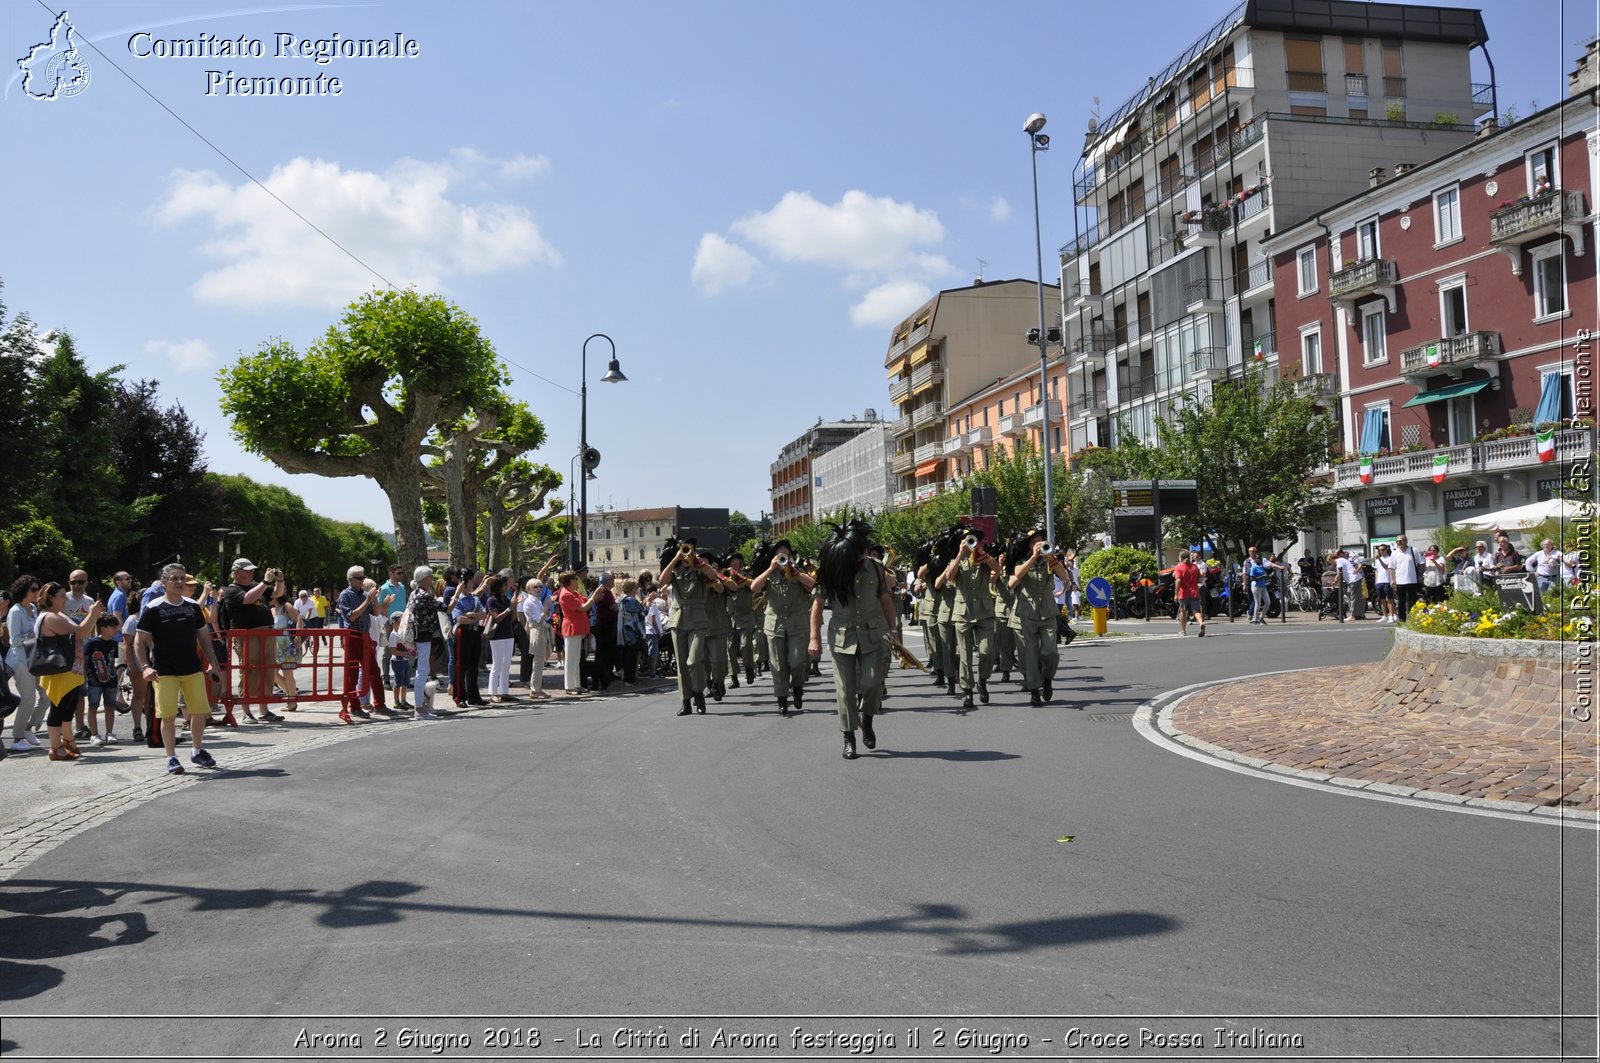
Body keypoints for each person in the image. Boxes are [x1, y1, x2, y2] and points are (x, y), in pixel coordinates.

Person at [808, 519, 896, 760]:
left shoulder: (876, 568)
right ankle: (849, 738)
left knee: (873, 682)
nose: (864, 551)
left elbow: (886, 599)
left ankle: (867, 718)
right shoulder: (831, 569)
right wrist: (814, 638)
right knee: (845, 691)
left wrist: (895, 632)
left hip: (872, 633)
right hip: (842, 636)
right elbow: (817, 605)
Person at [135, 563, 224, 774]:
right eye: (174, 579)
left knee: (200, 712)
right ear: (164, 583)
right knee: (168, 716)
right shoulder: (153, 607)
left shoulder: (193, 606)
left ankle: (197, 750)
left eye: (182, 578)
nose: (179, 582)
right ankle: (171, 757)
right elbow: (139, 641)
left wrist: (213, 663)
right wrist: (145, 667)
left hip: (192, 667)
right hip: (164, 670)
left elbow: (203, 637)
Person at [32, 581, 106, 761]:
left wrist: (92, 616)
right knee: (58, 709)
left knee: (68, 708)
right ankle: (55, 747)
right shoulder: (50, 617)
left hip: (68, 670)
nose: (66, 599)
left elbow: (80, 632)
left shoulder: (58, 614)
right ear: (50, 597)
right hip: (59, 671)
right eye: (62, 596)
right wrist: (93, 614)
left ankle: (69, 740)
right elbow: (80, 632)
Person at [935, 528, 1000, 710]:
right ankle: (968, 691)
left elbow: (997, 569)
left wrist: (984, 554)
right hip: (963, 612)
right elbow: (949, 576)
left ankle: (982, 681)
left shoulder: (984, 559)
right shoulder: (955, 560)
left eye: (974, 541)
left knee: (987, 652)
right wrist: (960, 554)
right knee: (964, 655)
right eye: (968, 540)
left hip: (984, 611)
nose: (971, 543)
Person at [749, 538, 815, 715]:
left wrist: (796, 573)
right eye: (779, 556)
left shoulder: (799, 572)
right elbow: (754, 587)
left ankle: (798, 687)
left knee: (797, 661)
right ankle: (782, 698)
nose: (783, 558)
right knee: (777, 664)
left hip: (797, 624)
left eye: (786, 555)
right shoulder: (769, 574)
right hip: (775, 624)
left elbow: (813, 584)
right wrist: (770, 569)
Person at [1008, 530, 1071, 706]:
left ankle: (1047, 679)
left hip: (1048, 611)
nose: (1038, 543)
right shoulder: (1022, 561)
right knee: (1031, 653)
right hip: (1027, 611)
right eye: (1034, 541)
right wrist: (1033, 557)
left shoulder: (1050, 562)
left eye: (1040, 540)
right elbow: (1017, 576)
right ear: (1028, 545)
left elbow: (1064, 576)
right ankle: (1034, 690)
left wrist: (1051, 558)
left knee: (1051, 651)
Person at [220, 559, 284, 723]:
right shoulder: (231, 590)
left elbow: (277, 594)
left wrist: (280, 580)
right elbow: (247, 599)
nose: (250, 573)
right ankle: (246, 711)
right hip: (248, 636)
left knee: (268, 670)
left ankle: (264, 710)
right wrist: (265, 582)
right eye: (247, 571)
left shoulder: (257, 585)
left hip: (267, 634)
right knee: (249, 670)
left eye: (251, 570)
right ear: (236, 572)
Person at [659, 541, 714, 716]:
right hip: (678, 618)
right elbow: (662, 580)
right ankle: (686, 702)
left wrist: (698, 561)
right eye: (684, 550)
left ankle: (698, 693)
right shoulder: (675, 570)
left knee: (695, 659)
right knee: (682, 664)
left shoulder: (700, 569)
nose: (686, 554)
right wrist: (675, 559)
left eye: (689, 551)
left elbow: (713, 575)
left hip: (697, 619)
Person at [336, 565, 387, 719]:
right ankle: (355, 706)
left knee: (374, 671)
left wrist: (375, 599)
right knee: (352, 673)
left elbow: (376, 612)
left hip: (365, 636)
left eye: (363, 577)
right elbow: (351, 616)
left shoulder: (364, 594)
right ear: (351, 579)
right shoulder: (345, 595)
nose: (362, 580)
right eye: (359, 578)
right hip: (352, 636)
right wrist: (367, 600)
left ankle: (380, 704)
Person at [7, 575, 43, 753]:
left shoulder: (34, 609)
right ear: (24, 591)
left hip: (34, 659)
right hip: (20, 661)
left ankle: (28, 728)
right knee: (28, 699)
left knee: (46, 697)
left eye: (37, 589)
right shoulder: (15, 611)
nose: (37, 593)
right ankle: (17, 737)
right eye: (33, 590)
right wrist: (32, 635)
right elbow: (14, 641)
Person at [556, 569, 600, 697]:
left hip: (577, 627)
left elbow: (586, 601)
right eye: (575, 579)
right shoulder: (566, 594)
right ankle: (569, 686)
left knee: (576, 658)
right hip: (571, 627)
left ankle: (576, 683)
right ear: (570, 581)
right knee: (571, 658)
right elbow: (584, 607)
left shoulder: (573, 592)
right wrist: (594, 596)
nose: (577, 581)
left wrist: (593, 597)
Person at [405, 566, 442, 718]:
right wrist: (458, 593)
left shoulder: (414, 593)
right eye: (430, 577)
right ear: (425, 579)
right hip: (423, 635)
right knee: (422, 672)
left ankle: (423, 705)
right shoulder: (424, 595)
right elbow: (446, 608)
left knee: (423, 671)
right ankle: (419, 708)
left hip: (419, 635)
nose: (432, 580)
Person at [449, 571, 490, 707]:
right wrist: (475, 616)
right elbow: (460, 619)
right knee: (461, 665)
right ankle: (459, 696)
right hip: (463, 633)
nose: (472, 584)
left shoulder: (475, 598)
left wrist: (471, 615)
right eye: (470, 581)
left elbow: (484, 614)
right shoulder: (458, 599)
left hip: (475, 633)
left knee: (474, 666)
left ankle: (474, 696)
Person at [83, 615, 122, 745]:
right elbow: (85, 662)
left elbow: (113, 661)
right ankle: (94, 734)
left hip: (111, 680)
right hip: (94, 680)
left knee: (110, 707)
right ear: (103, 628)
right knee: (93, 707)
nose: (116, 629)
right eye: (113, 627)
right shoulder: (91, 643)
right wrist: (83, 678)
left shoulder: (113, 643)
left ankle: (109, 732)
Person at [482, 573, 517, 703]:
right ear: (498, 587)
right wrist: (509, 609)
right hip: (497, 635)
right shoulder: (491, 600)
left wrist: (513, 608)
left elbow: (512, 618)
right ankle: (492, 692)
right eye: (504, 585)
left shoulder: (505, 599)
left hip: (508, 633)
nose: (506, 587)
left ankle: (504, 691)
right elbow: (496, 618)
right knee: (497, 663)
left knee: (506, 664)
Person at [377, 564, 408, 691]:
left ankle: (402, 678)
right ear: (391, 573)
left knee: (403, 648)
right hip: (390, 623)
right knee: (388, 651)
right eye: (398, 573)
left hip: (402, 622)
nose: (401, 575)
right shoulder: (384, 588)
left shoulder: (402, 587)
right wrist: (384, 622)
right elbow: (380, 606)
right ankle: (386, 678)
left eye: (402, 573)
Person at [519, 576, 551, 699]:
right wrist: (547, 606)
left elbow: (546, 617)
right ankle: (535, 689)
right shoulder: (529, 602)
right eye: (535, 587)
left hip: (541, 629)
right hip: (536, 630)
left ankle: (537, 688)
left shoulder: (536, 600)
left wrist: (547, 607)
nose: (538, 589)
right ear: (529, 589)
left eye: (540, 587)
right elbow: (538, 618)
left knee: (539, 661)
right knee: (538, 661)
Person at [618, 578, 646, 684]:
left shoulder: (623, 598)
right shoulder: (630, 600)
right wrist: (648, 602)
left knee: (628, 656)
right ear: (631, 589)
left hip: (625, 631)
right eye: (636, 587)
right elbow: (643, 612)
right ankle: (630, 679)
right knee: (631, 657)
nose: (637, 589)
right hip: (631, 632)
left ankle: (629, 678)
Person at [1172, 550, 1205, 637]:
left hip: (1183, 593)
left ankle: (1183, 631)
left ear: (1181, 558)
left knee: (1183, 611)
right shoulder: (1194, 567)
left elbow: (1178, 581)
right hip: (1194, 592)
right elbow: (1199, 577)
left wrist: (1176, 593)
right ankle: (1201, 623)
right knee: (1196, 611)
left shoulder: (1179, 567)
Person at [1390, 534, 1423, 622]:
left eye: (1400, 541)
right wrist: (1392, 579)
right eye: (1397, 541)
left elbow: (1422, 563)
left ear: (1405, 541)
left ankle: (1414, 618)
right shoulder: (1394, 553)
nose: (1399, 543)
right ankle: (1402, 619)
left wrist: (1421, 575)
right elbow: (1391, 567)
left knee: (1413, 600)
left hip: (1412, 580)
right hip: (1400, 581)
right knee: (1401, 601)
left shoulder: (1413, 550)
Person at [1371, 544, 1395, 624]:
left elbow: (1386, 567)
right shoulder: (1378, 560)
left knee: (1389, 600)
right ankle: (1384, 615)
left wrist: (1379, 560)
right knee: (1382, 600)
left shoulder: (1390, 558)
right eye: (1379, 550)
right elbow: (1377, 571)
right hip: (1380, 581)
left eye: (1382, 550)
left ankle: (1391, 615)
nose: (1381, 551)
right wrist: (1376, 581)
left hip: (1387, 581)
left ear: (1386, 549)